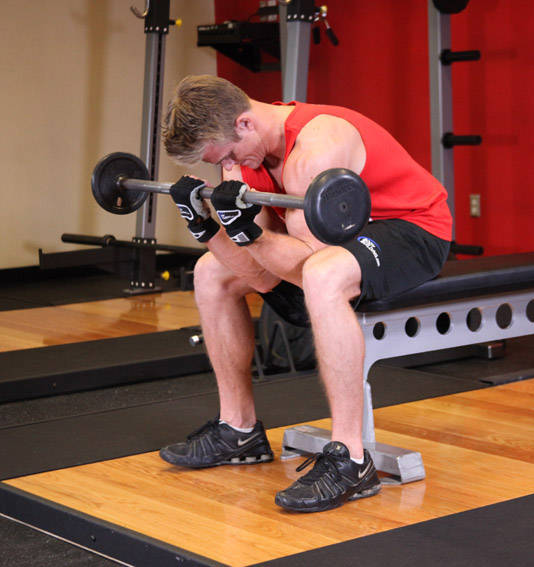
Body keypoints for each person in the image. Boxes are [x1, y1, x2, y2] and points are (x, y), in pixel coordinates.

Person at [158, 75, 452, 513]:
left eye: (230, 155)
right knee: (210, 272)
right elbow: (260, 276)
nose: (228, 166)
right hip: (329, 245)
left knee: (324, 273)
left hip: (411, 228)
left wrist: (249, 235)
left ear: (243, 124)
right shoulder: (245, 153)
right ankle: (239, 429)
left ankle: (351, 459)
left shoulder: (316, 147)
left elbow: (305, 264)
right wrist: (206, 231)